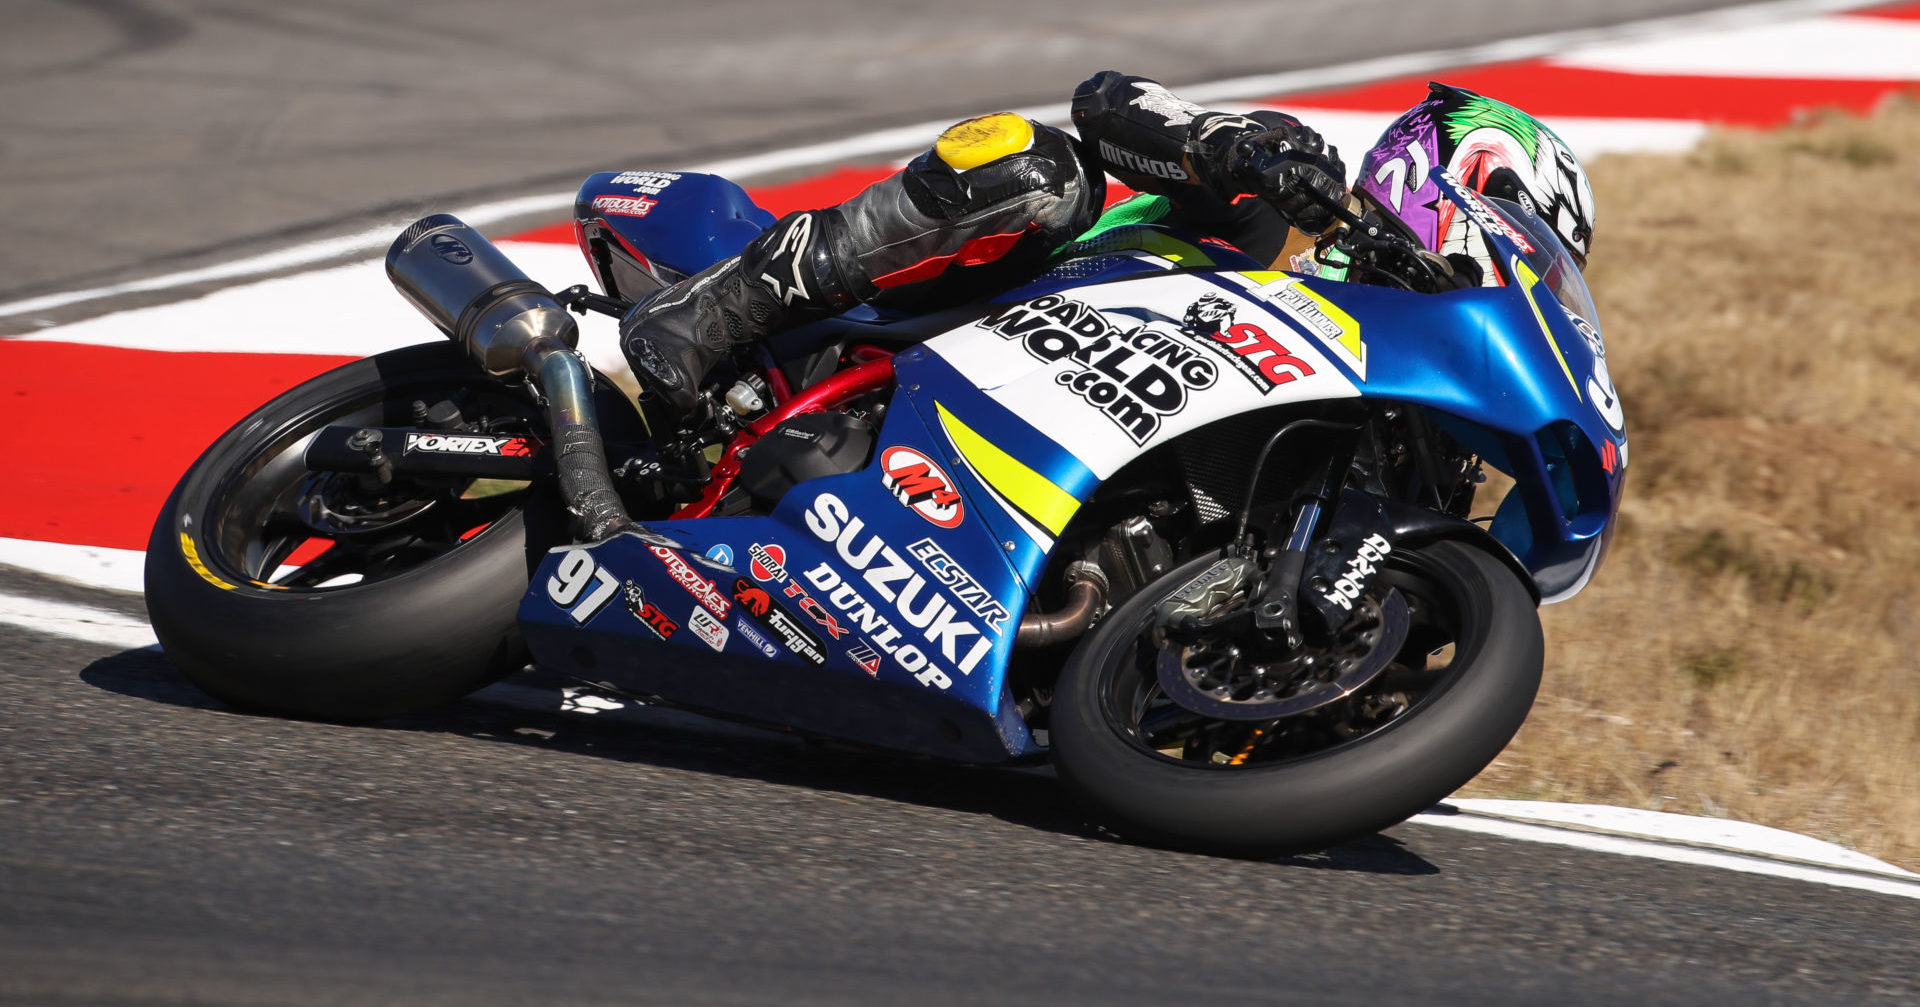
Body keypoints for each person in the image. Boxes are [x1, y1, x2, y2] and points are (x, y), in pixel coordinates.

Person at [618, 72, 1595, 411]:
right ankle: (715, 310)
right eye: (1535, 242)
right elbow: (1108, 97)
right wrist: (1237, 151)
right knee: (1042, 167)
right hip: (922, 330)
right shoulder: (1271, 205)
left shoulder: (1384, 392)